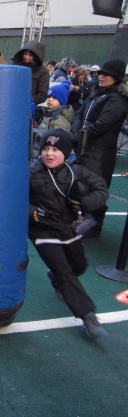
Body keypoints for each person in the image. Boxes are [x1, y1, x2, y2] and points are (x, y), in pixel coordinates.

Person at [29, 129, 109, 339]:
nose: (49, 153)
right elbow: (15, 198)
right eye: (46, 148)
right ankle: (88, 317)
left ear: (65, 152)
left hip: (69, 227)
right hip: (42, 231)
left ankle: (55, 277)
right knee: (65, 272)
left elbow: (101, 188)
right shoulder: (32, 172)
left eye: (55, 149)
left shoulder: (76, 172)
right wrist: (34, 213)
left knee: (79, 266)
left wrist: (84, 202)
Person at [71, 59, 128, 238]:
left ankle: (93, 225)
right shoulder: (97, 93)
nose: (102, 76)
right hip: (85, 148)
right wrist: (77, 131)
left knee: (95, 187)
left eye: (107, 74)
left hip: (100, 153)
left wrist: (80, 134)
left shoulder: (117, 100)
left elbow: (102, 125)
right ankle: (83, 221)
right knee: (80, 186)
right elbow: (80, 113)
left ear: (116, 78)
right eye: (101, 73)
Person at [12, 39, 50, 106]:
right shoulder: (16, 68)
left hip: (28, 107)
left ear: (36, 57)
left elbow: (42, 95)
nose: (27, 57)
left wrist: (27, 100)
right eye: (25, 54)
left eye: (30, 55)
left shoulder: (43, 73)